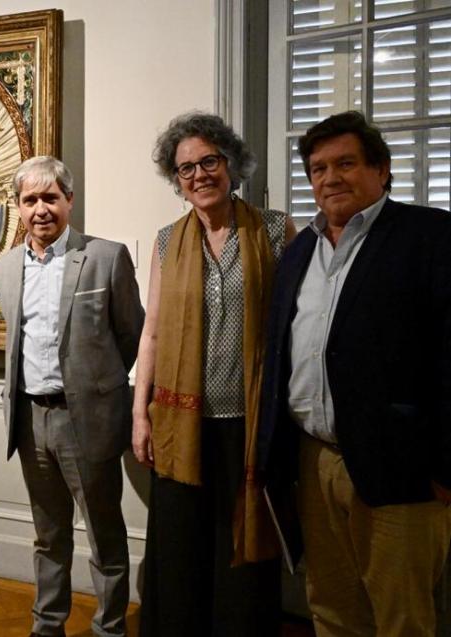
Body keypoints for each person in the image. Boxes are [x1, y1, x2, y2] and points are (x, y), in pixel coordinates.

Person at [258, 111, 451, 637]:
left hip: (402, 469)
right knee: (333, 608)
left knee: (402, 616)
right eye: (318, 168)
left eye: (346, 163)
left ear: (382, 169)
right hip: (314, 461)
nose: (330, 178)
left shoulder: (431, 237)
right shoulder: (300, 250)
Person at [131, 112, 296, 636]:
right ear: (176, 181)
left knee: (242, 549)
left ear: (231, 165)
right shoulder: (164, 242)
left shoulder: (274, 229)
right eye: (186, 168)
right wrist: (141, 414)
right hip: (183, 423)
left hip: (250, 423)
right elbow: (152, 332)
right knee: (182, 544)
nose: (199, 174)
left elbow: (294, 326)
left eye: (209, 161)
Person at [0, 155, 144, 637]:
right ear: (17, 207)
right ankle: (47, 625)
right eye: (30, 199)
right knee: (49, 535)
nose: (41, 209)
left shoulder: (105, 256)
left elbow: (131, 335)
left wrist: (95, 387)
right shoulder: (5, 266)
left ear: (69, 201)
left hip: (88, 420)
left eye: (50, 198)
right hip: (30, 418)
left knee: (104, 534)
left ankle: (109, 628)